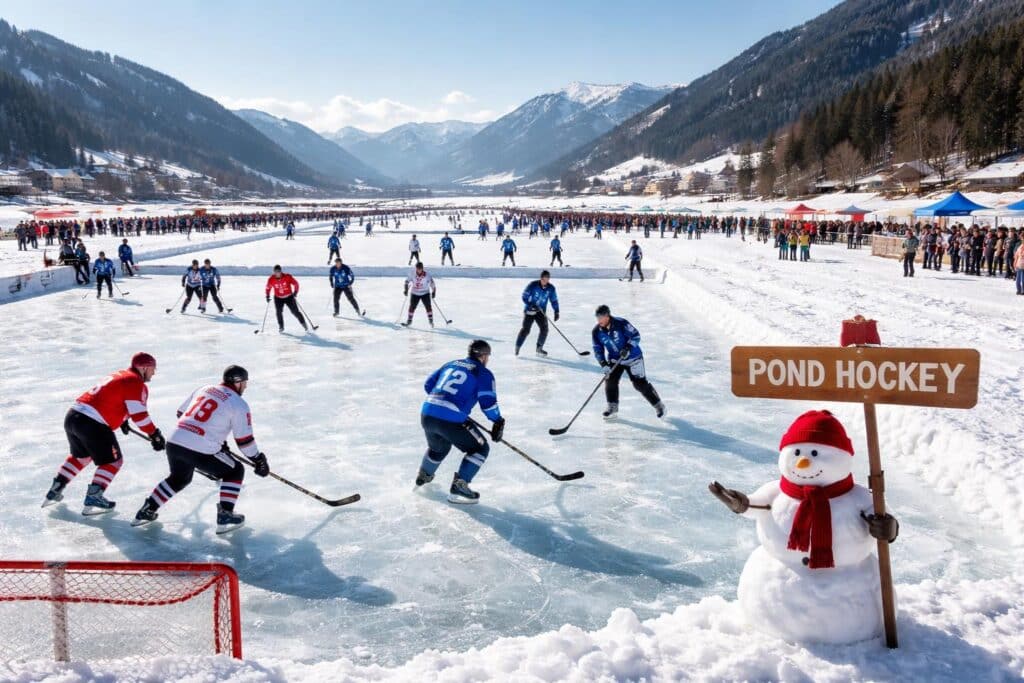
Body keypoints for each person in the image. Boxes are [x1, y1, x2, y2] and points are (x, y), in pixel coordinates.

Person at [132, 365, 268, 534]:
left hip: (174, 442)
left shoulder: (205, 388)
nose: (246, 387)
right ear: (238, 383)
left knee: (179, 478)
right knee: (235, 471)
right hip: (200, 448)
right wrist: (258, 459)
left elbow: (181, 412)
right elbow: (244, 440)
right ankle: (225, 514)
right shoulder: (239, 404)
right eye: (245, 383)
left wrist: (213, 438)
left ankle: (147, 510)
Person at [42, 353, 165, 514]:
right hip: (92, 423)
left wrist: (122, 420)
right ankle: (94, 496)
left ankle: (56, 488)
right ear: (143, 368)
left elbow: (110, 398)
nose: (153, 373)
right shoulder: (135, 382)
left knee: (82, 456)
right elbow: (140, 415)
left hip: (73, 416)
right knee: (113, 462)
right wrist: (154, 435)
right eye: (152, 369)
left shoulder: (121, 375)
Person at [415, 340, 504, 504]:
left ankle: (423, 477)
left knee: (439, 448)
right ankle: (460, 487)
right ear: (483, 356)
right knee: (480, 448)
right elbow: (488, 403)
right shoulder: (483, 372)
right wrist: (498, 421)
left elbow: (429, 385)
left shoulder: (451, 364)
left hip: (427, 413)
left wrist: (446, 402)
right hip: (450, 418)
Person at [592, 305, 665, 420]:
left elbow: (636, 335)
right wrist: (603, 364)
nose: (599, 320)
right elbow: (597, 349)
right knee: (610, 380)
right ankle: (612, 407)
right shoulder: (597, 332)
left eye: (601, 317)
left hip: (633, 358)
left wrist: (628, 348)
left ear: (608, 315)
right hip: (616, 360)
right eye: (597, 317)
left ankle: (659, 406)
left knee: (639, 384)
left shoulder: (621, 323)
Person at [515, 270, 559, 357]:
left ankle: (539, 348)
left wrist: (556, 311)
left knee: (544, 329)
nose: (545, 282)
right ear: (541, 278)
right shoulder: (532, 285)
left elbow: (554, 300)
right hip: (529, 311)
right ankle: (517, 347)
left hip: (540, 311)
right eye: (544, 280)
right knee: (526, 330)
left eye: (547, 280)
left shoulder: (551, 288)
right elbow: (524, 296)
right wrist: (531, 304)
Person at [265, 265, 307, 333]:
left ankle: (304, 325)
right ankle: (281, 326)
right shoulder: (271, 279)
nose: (277, 273)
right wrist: (267, 296)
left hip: (289, 297)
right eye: (275, 272)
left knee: (295, 312)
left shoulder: (288, 276)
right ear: (274, 272)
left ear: (281, 271)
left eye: (278, 271)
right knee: (278, 312)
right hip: (278, 298)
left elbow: (296, 284)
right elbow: (268, 288)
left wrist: (295, 292)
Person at [402, 262, 436, 327]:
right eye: (417, 269)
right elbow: (407, 282)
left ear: (422, 268)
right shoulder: (412, 273)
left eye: (420, 269)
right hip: (415, 293)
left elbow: (432, 284)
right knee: (412, 307)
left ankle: (431, 320)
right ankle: (409, 321)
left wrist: (434, 292)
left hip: (425, 293)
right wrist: (406, 289)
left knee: (428, 306)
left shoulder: (427, 275)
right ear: (416, 268)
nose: (419, 270)